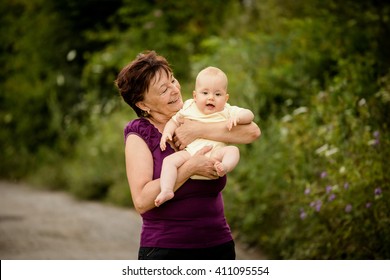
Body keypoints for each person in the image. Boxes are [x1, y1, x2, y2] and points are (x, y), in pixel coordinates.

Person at [115, 50, 260, 260]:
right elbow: (142, 201)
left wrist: (198, 129)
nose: (174, 90)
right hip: (166, 249)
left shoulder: (199, 112)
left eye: (173, 80)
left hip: (218, 244)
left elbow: (252, 131)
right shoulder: (140, 133)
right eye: (164, 89)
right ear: (143, 104)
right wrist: (190, 168)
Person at [155, 66, 254, 207]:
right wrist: (167, 133)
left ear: (226, 98)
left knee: (233, 151)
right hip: (190, 154)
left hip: (216, 155)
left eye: (218, 94)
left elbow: (249, 114)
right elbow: (174, 121)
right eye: (205, 93)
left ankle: (224, 167)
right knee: (169, 161)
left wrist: (238, 117)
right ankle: (167, 189)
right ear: (195, 96)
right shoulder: (189, 107)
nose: (211, 98)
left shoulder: (227, 110)